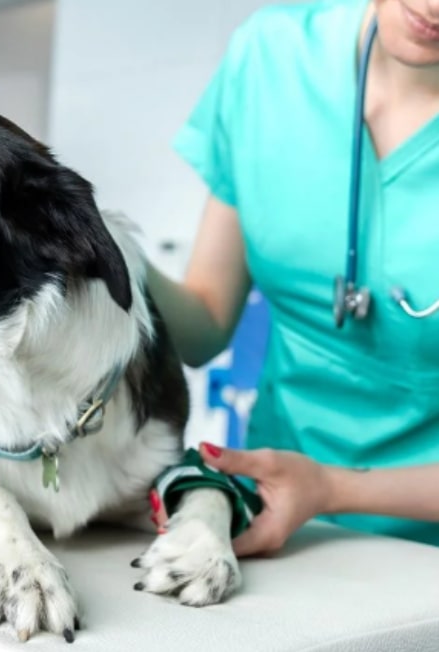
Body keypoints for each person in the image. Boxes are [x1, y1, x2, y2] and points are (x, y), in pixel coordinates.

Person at [148, 0, 439, 554]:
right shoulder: (270, 57)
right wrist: (107, 248)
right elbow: (203, 324)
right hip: (278, 524)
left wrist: (332, 488)